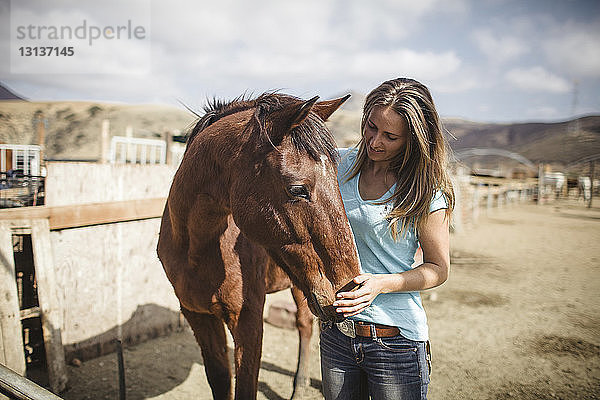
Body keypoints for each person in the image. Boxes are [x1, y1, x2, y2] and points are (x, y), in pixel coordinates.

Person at [320, 77, 455, 400]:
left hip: (395, 342)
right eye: (371, 127)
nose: (375, 141)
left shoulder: (425, 191)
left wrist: (382, 283)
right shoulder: (337, 165)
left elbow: (438, 268)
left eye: (390, 136)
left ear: (414, 139)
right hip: (337, 336)